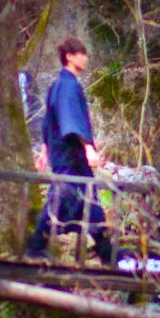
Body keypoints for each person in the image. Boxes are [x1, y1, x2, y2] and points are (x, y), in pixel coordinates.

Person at [26, 37, 115, 265]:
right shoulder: (67, 86)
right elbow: (70, 120)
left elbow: (49, 122)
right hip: (70, 155)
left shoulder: (58, 85)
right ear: (69, 56)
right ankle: (36, 246)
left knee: (89, 201)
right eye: (81, 53)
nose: (85, 58)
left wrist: (45, 151)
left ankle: (106, 252)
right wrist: (88, 148)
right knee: (62, 196)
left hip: (64, 154)